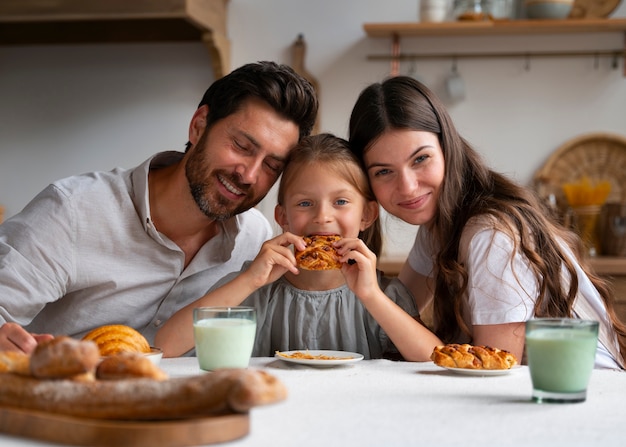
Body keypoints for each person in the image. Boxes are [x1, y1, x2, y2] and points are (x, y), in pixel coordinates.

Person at [0, 61, 318, 354]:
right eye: (241, 146)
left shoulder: (254, 238)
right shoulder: (73, 210)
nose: (249, 175)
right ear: (198, 126)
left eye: (272, 166)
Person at [348, 75, 626, 370]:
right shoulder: (439, 225)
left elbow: (493, 369)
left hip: (585, 391)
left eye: (420, 159)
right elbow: (392, 314)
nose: (408, 186)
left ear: (447, 149)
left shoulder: (491, 236)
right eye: (383, 172)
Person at [155, 133, 442, 360]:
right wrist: (250, 280)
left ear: (366, 215)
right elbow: (164, 347)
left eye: (340, 202)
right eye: (305, 203)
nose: (322, 216)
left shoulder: (383, 295)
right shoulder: (254, 289)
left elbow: (435, 359)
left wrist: (371, 296)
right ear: (283, 218)